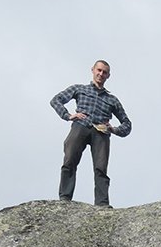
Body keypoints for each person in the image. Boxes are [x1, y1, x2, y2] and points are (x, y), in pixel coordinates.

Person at [50, 60, 132, 206]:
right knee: (69, 161)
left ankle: (102, 204)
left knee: (101, 169)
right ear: (93, 70)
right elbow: (56, 100)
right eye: (99, 70)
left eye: (104, 72)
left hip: (101, 133)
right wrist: (68, 115)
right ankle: (65, 198)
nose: (101, 74)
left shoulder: (112, 100)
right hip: (80, 126)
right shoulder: (79, 89)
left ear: (108, 76)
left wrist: (113, 129)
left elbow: (127, 124)